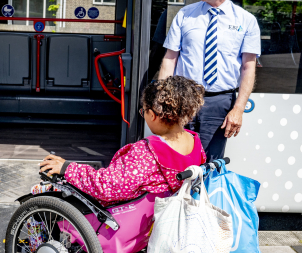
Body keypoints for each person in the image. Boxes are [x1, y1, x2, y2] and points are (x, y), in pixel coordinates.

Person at [39, 76, 206, 206]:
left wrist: (67, 168)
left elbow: (107, 187)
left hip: (121, 224)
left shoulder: (146, 153)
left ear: (153, 115)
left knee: (42, 192)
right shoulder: (195, 144)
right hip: (159, 218)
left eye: (144, 111)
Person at [158, 0, 260, 161]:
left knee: (210, 162)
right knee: (176, 160)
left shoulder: (246, 21)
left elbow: (248, 69)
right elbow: (170, 59)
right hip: (182, 99)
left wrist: (238, 109)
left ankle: (204, 194)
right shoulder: (185, 15)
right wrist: (162, 99)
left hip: (219, 102)